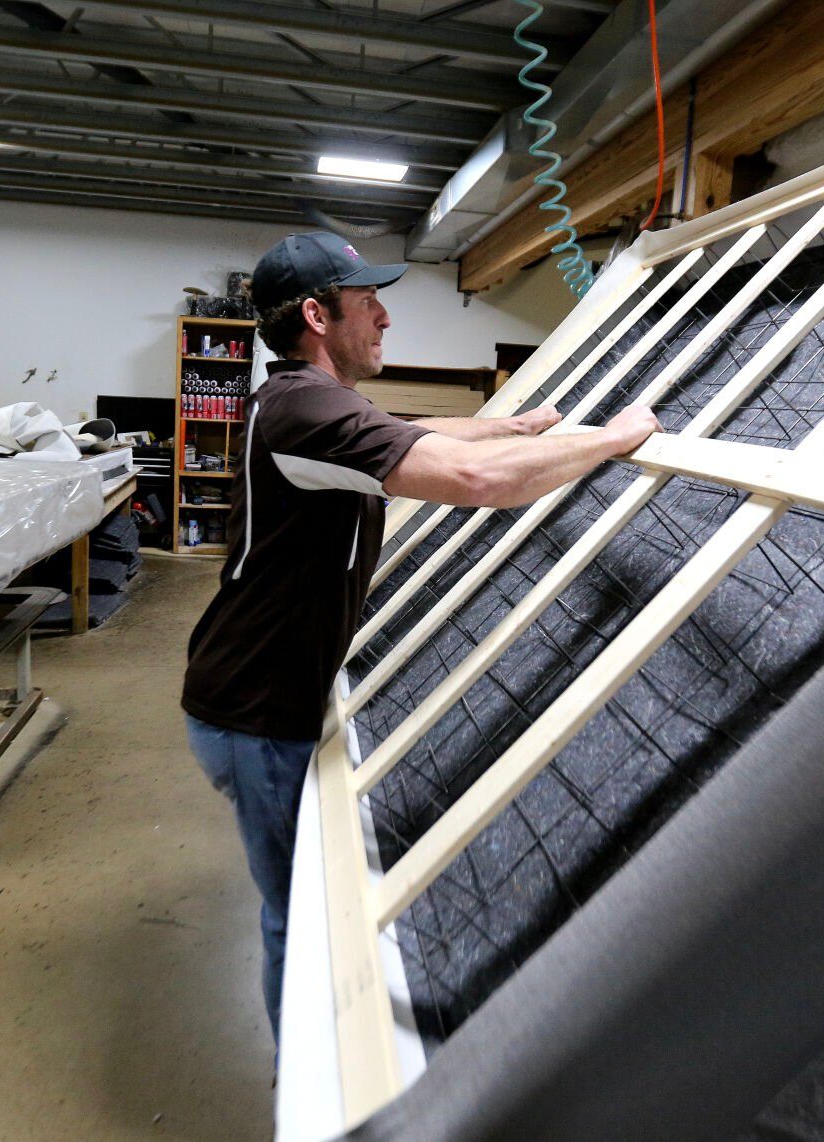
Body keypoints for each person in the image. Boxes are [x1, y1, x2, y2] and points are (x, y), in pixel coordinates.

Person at [180, 231, 659, 1038]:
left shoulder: (304, 397)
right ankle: (300, 1088)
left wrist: (516, 427)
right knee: (302, 918)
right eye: (367, 300)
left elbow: (414, 430)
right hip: (256, 710)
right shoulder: (306, 407)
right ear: (315, 315)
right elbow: (471, 482)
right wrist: (614, 438)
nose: (384, 316)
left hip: (245, 686)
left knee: (304, 903)